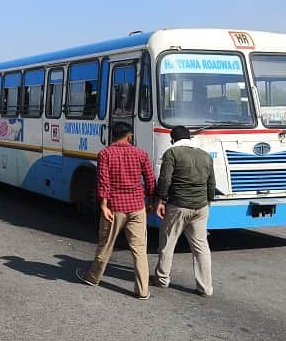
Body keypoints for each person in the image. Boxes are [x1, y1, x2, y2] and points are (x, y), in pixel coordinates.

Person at [76, 122, 156, 299]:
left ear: (112, 136)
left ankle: (93, 277)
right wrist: (150, 200)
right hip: (137, 207)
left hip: (115, 208)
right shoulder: (141, 153)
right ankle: (143, 290)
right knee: (139, 249)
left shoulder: (105, 154)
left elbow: (103, 182)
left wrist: (103, 206)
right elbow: (150, 180)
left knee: (106, 244)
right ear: (129, 136)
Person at [152, 126, 216, 296]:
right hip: (201, 207)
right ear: (190, 138)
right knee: (201, 247)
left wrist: (160, 200)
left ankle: (162, 279)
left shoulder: (172, 153)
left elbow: (165, 179)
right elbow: (211, 184)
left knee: (167, 242)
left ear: (173, 139)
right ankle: (206, 287)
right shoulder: (205, 156)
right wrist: (207, 202)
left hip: (178, 206)